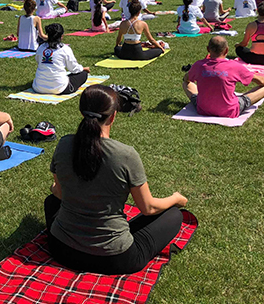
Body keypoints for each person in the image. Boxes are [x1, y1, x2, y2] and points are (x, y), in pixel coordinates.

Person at [45, 85, 187, 275]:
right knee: (174, 215)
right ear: (113, 116)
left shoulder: (64, 144)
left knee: (51, 202)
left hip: (61, 249)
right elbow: (148, 208)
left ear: (81, 112)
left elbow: (59, 193)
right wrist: (176, 199)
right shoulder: (125, 155)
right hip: (113, 259)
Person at [183, 36, 264, 118]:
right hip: (229, 110)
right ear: (226, 50)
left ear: (208, 49)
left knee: (185, 84)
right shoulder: (233, 66)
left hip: (203, 109)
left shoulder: (199, 65)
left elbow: (186, 79)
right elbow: (259, 80)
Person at [33, 23, 88, 95]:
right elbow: (74, 68)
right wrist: (83, 69)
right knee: (83, 74)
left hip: (39, 87)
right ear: (61, 36)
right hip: (59, 88)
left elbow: (38, 61)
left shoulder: (41, 48)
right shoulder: (65, 49)